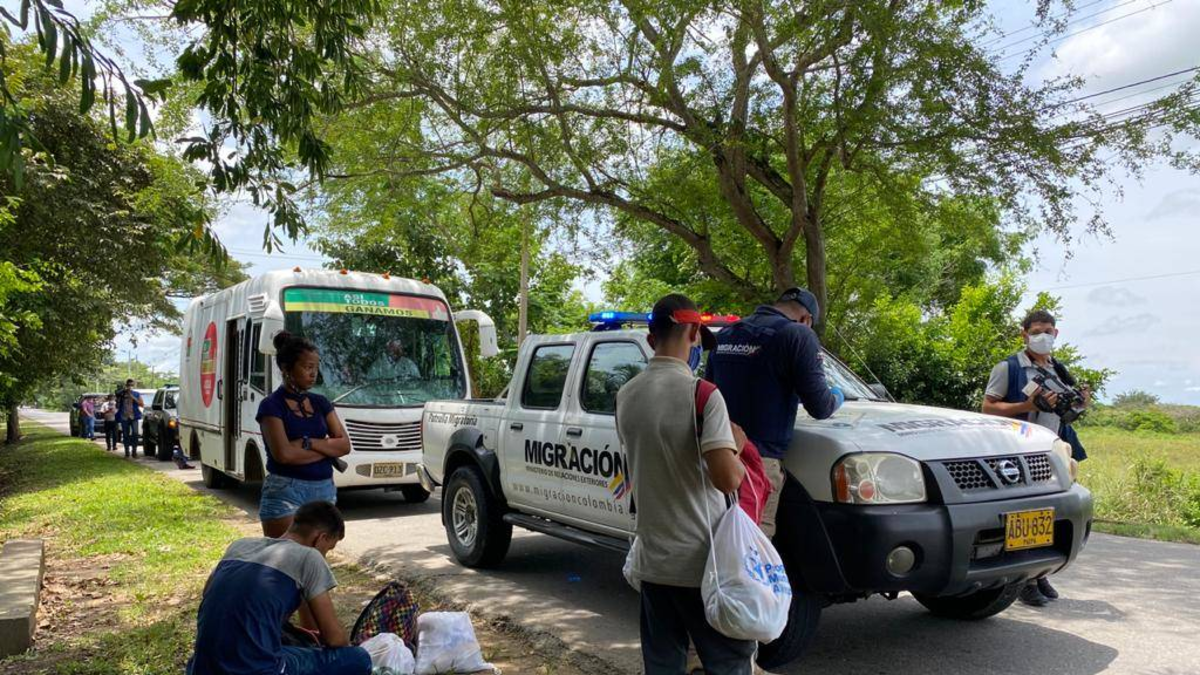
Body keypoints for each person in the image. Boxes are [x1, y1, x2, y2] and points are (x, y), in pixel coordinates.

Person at [617, 293, 754, 675]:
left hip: (653, 562)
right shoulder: (704, 394)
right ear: (694, 332)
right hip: (701, 564)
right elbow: (726, 478)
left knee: (663, 665)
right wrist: (736, 446)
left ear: (651, 339)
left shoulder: (625, 395)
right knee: (728, 663)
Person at [704, 287, 843, 538]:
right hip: (759, 463)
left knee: (718, 539)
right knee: (752, 544)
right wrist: (837, 396)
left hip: (717, 457)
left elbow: (709, 394)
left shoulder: (726, 335)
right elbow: (821, 406)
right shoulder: (797, 335)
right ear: (806, 319)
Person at [186, 501, 371, 675]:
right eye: (328, 549)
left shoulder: (239, 546)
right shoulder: (310, 557)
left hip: (202, 667)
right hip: (259, 669)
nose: (325, 556)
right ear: (320, 538)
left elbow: (208, 592)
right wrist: (346, 641)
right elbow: (334, 639)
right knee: (359, 658)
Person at [984, 309, 1090, 607]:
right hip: (1019, 453)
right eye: (1036, 332)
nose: (1042, 336)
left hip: (1054, 452)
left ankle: (1039, 573)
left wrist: (1080, 403)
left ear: (1056, 333)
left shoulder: (1059, 369)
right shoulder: (1009, 368)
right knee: (1024, 517)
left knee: (1050, 515)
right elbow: (988, 408)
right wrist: (1027, 405)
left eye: (1048, 331)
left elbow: (1065, 410)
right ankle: (1023, 580)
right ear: (1024, 334)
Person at [257, 331, 351, 538]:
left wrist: (308, 443)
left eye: (316, 368)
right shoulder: (271, 406)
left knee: (317, 554)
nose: (313, 373)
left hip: (324, 490)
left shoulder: (320, 403)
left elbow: (344, 445)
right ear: (286, 369)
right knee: (283, 553)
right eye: (307, 367)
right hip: (286, 490)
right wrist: (326, 449)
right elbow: (284, 455)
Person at [114, 379, 144, 458]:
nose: (130, 386)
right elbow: (117, 397)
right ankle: (127, 452)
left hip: (134, 416)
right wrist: (123, 392)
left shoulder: (136, 394)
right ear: (126, 385)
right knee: (125, 434)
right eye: (129, 385)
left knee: (135, 433)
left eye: (131, 385)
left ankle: (134, 451)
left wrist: (133, 397)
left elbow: (141, 404)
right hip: (124, 417)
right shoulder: (122, 393)